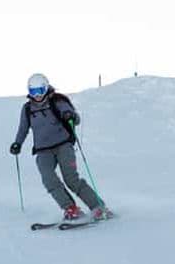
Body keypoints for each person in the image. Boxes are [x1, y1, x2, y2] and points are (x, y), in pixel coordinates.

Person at [9, 73, 112, 221]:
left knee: (71, 179)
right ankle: (70, 208)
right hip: (43, 150)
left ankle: (98, 207)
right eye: (33, 91)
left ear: (46, 87)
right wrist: (17, 143)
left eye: (40, 90)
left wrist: (69, 116)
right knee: (48, 179)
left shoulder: (58, 101)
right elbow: (23, 128)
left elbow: (74, 118)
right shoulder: (27, 109)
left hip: (63, 145)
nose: (37, 95)